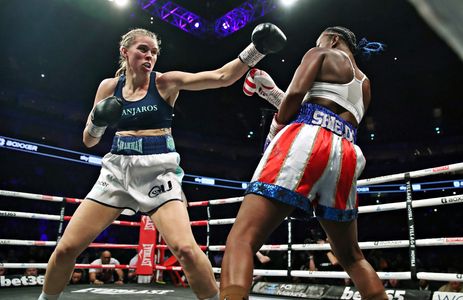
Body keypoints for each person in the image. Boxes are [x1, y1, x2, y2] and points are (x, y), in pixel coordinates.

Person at [39, 24, 286, 300]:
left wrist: (257, 49)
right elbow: (89, 141)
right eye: (143, 49)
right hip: (117, 171)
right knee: (65, 249)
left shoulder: (164, 82)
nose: (149, 56)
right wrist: (97, 122)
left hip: (159, 172)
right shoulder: (108, 87)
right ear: (125, 52)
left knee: (187, 251)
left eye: (154, 52)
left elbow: (221, 76)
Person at [220, 26, 387, 300]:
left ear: (333, 39)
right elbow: (330, 108)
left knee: (242, 240)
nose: (316, 42)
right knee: (352, 257)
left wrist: (276, 125)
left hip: (306, 138)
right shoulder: (366, 84)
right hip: (347, 152)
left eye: (318, 38)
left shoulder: (321, 53)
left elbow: (297, 96)